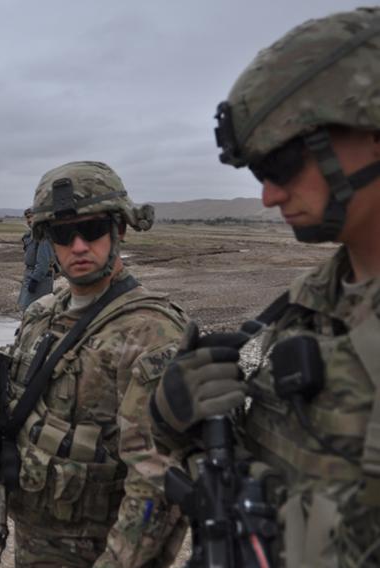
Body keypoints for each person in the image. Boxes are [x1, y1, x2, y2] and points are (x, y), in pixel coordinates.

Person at [150, 8, 380, 566]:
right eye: (258, 174)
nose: (269, 196)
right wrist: (173, 417)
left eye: (283, 162)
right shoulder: (300, 311)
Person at [6, 161, 187, 567]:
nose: (79, 246)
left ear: (119, 230)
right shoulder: (40, 316)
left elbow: (156, 485)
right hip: (35, 541)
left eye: (91, 230)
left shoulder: (152, 335)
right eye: (63, 234)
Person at [17, 207, 55, 311]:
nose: (29, 220)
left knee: (35, 310)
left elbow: (43, 264)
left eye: (31, 217)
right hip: (30, 275)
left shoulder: (43, 236)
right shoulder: (30, 235)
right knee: (26, 309)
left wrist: (34, 280)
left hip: (39, 279)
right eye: (27, 217)